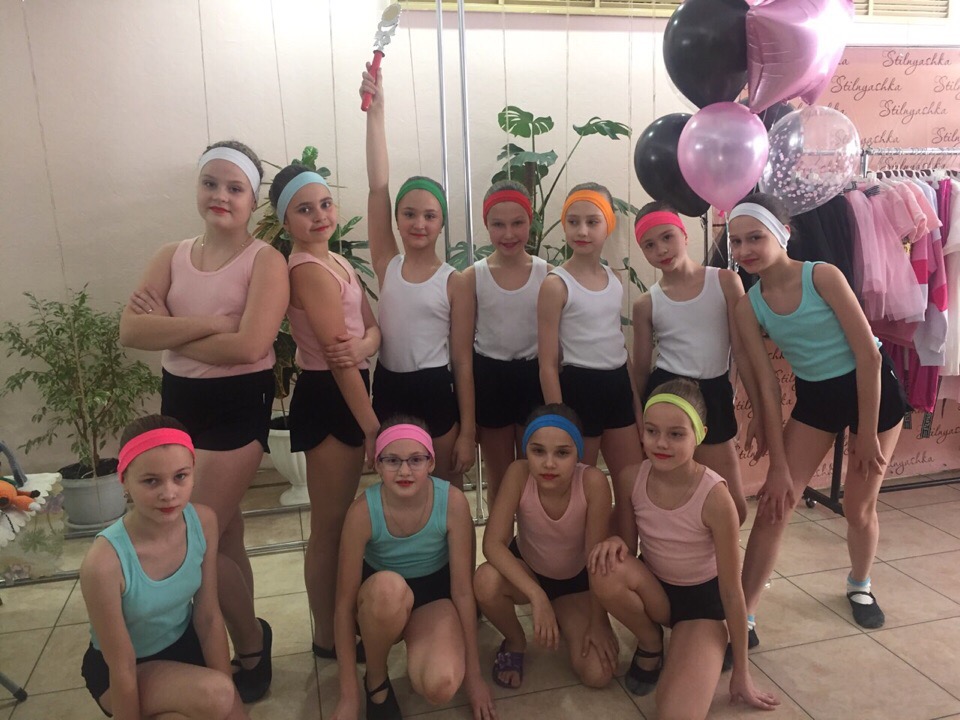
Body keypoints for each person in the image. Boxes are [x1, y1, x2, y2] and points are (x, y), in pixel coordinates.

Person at [119, 140, 288, 701]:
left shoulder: (265, 261)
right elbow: (132, 331)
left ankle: (249, 641)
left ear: (252, 200)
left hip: (237, 405)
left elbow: (251, 347)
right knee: (227, 533)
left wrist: (171, 327)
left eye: (235, 188)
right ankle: (247, 638)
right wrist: (213, 324)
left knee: (196, 532)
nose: (221, 196)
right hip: (179, 404)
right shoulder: (170, 255)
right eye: (210, 183)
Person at [730, 193, 907, 640]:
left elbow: (868, 356)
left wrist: (867, 434)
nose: (745, 249)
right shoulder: (749, 305)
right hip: (817, 397)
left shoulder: (822, 276)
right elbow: (767, 385)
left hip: (872, 391)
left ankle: (860, 585)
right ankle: (744, 616)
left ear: (783, 234)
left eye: (755, 237)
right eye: (736, 241)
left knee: (858, 507)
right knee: (776, 505)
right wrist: (778, 467)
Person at [589, 380, 779, 719]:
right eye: (652, 431)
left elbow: (731, 591)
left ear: (700, 435)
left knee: (676, 714)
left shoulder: (715, 498)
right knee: (605, 567)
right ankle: (651, 641)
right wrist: (615, 541)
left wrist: (742, 672)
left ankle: (699, 645)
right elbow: (628, 549)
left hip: (701, 608)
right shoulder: (631, 478)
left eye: (676, 434)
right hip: (656, 592)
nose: (661, 443)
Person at [268, 164, 381, 659]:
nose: (319, 216)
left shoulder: (336, 261)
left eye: (325, 204)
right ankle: (326, 635)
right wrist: (372, 427)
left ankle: (341, 620)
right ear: (285, 221)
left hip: (349, 386)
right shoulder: (307, 270)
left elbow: (372, 330)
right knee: (329, 526)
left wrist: (363, 346)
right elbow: (337, 359)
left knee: (340, 523)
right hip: (331, 394)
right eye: (304, 209)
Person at [80, 415, 249, 720]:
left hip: (184, 646)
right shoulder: (104, 563)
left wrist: (229, 701)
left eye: (180, 476)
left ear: (193, 473)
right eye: (151, 481)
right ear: (124, 481)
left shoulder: (204, 522)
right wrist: (221, 694)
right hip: (122, 669)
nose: (169, 493)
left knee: (221, 701)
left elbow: (208, 617)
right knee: (215, 695)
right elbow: (121, 665)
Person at [330, 417, 496, 720]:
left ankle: (418, 641)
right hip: (380, 601)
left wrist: (474, 678)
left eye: (416, 460)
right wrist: (348, 697)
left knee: (441, 685)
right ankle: (376, 678)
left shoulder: (452, 502)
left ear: (431, 463)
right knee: (389, 589)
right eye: (392, 460)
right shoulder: (362, 512)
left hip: (432, 598)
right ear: (377, 464)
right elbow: (343, 605)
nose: (404, 471)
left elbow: (462, 592)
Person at [361, 66, 476, 489]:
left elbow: (462, 360)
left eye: (430, 216)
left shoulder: (454, 281)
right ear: (397, 220)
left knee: (446, 489)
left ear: (441, 223)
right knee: (398, 489)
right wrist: (376, 114)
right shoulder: (387, 263)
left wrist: (467, 430)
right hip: (390, 386)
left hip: (435, 388)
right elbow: (378, 188)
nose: (419, 223)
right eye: (409, 214)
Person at [633, 201, 764, 524]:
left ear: (684, 234)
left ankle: (720, 555)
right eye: (649, 245)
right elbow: (640, 370)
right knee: (672, 494)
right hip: (666, 397)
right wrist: (639, 421)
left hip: (713, 394)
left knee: (733, 506)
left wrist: (758, 410)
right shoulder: (646, 303)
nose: (661, 250)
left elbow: (742, 352)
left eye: (667, 237)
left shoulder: (725, 282)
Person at [474, 404, 617, 691]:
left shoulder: (592, 482)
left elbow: (596, 562)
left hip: (575, 584)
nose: (549, 463)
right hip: (530, 571)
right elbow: (492, 543)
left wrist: (598, 621)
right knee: (485, 580)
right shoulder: (519, 473)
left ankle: (561, 611)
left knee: (598, 674)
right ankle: (515, 640)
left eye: (562, 453)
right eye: (538, 451)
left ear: (578, 454)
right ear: (526, 451)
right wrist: (536, 595)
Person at [537, 182, 644, 506]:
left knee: (632, 485)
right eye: (573, 222)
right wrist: (559, 421)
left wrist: (636, 405)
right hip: (579, 391)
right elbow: (547, 364)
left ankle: (624, 538)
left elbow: (618, 346)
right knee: (578, 490)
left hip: (617, 387)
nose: (582, 230)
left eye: (592, 221)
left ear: (607, 224)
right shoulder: (556, 284)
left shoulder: (615, 279)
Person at [462, 181, 547, 505]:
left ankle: (532, 535)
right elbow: (462, 350)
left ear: (530, 222)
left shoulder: (548, 275)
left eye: (517, 223)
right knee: (499, 475)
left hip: (534, 378)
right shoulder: (473, 277)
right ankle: (499, 536)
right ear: (486, 224)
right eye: (498, 224)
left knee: (534, 472)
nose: (508, 233)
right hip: (490, 379)